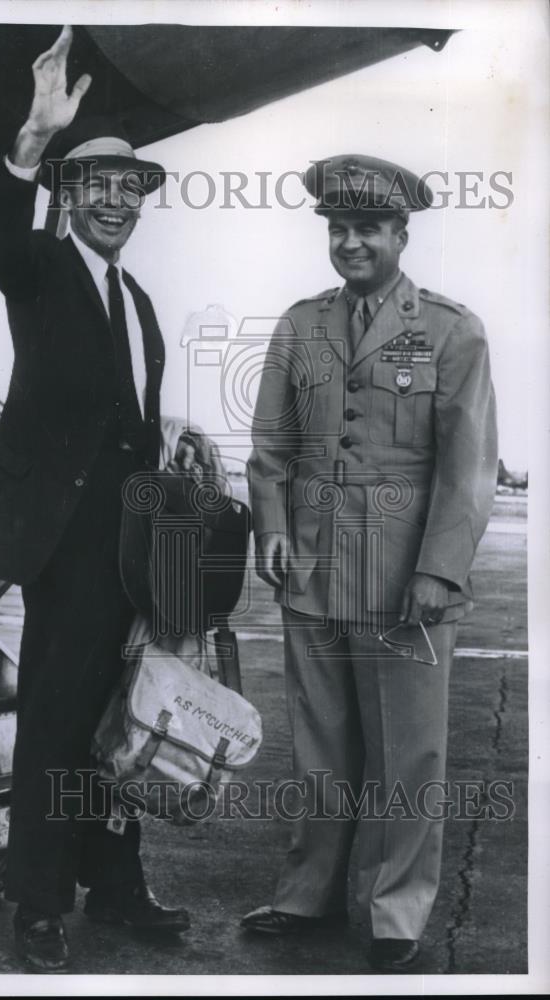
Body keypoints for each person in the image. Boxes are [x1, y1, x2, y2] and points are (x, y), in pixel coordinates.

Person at [0, 26, 189, 972]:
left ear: (140, 205)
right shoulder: (42, 270)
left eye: (128, 188)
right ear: (68, 197)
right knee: (59, 720)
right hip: (62, 540)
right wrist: (30, 138)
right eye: (94, 185)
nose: (113, 202)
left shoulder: (137, 301)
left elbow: (135, 423)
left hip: (131, 544)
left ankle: (120, 884)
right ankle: (40, 904)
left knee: (121, 720)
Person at [245, 155, 498, 972]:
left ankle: (397, 913)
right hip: (313, 569)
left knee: (407, 752)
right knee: (321, 746)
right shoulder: (299, 325)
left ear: (401, 233)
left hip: (403, 579)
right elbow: (271, 446)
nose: (351, 243)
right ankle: (309, 892)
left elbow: (468, 466)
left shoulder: (453, 331)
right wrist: (272, 526)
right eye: (339, 229)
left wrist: (441, 568)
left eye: (367, 229)